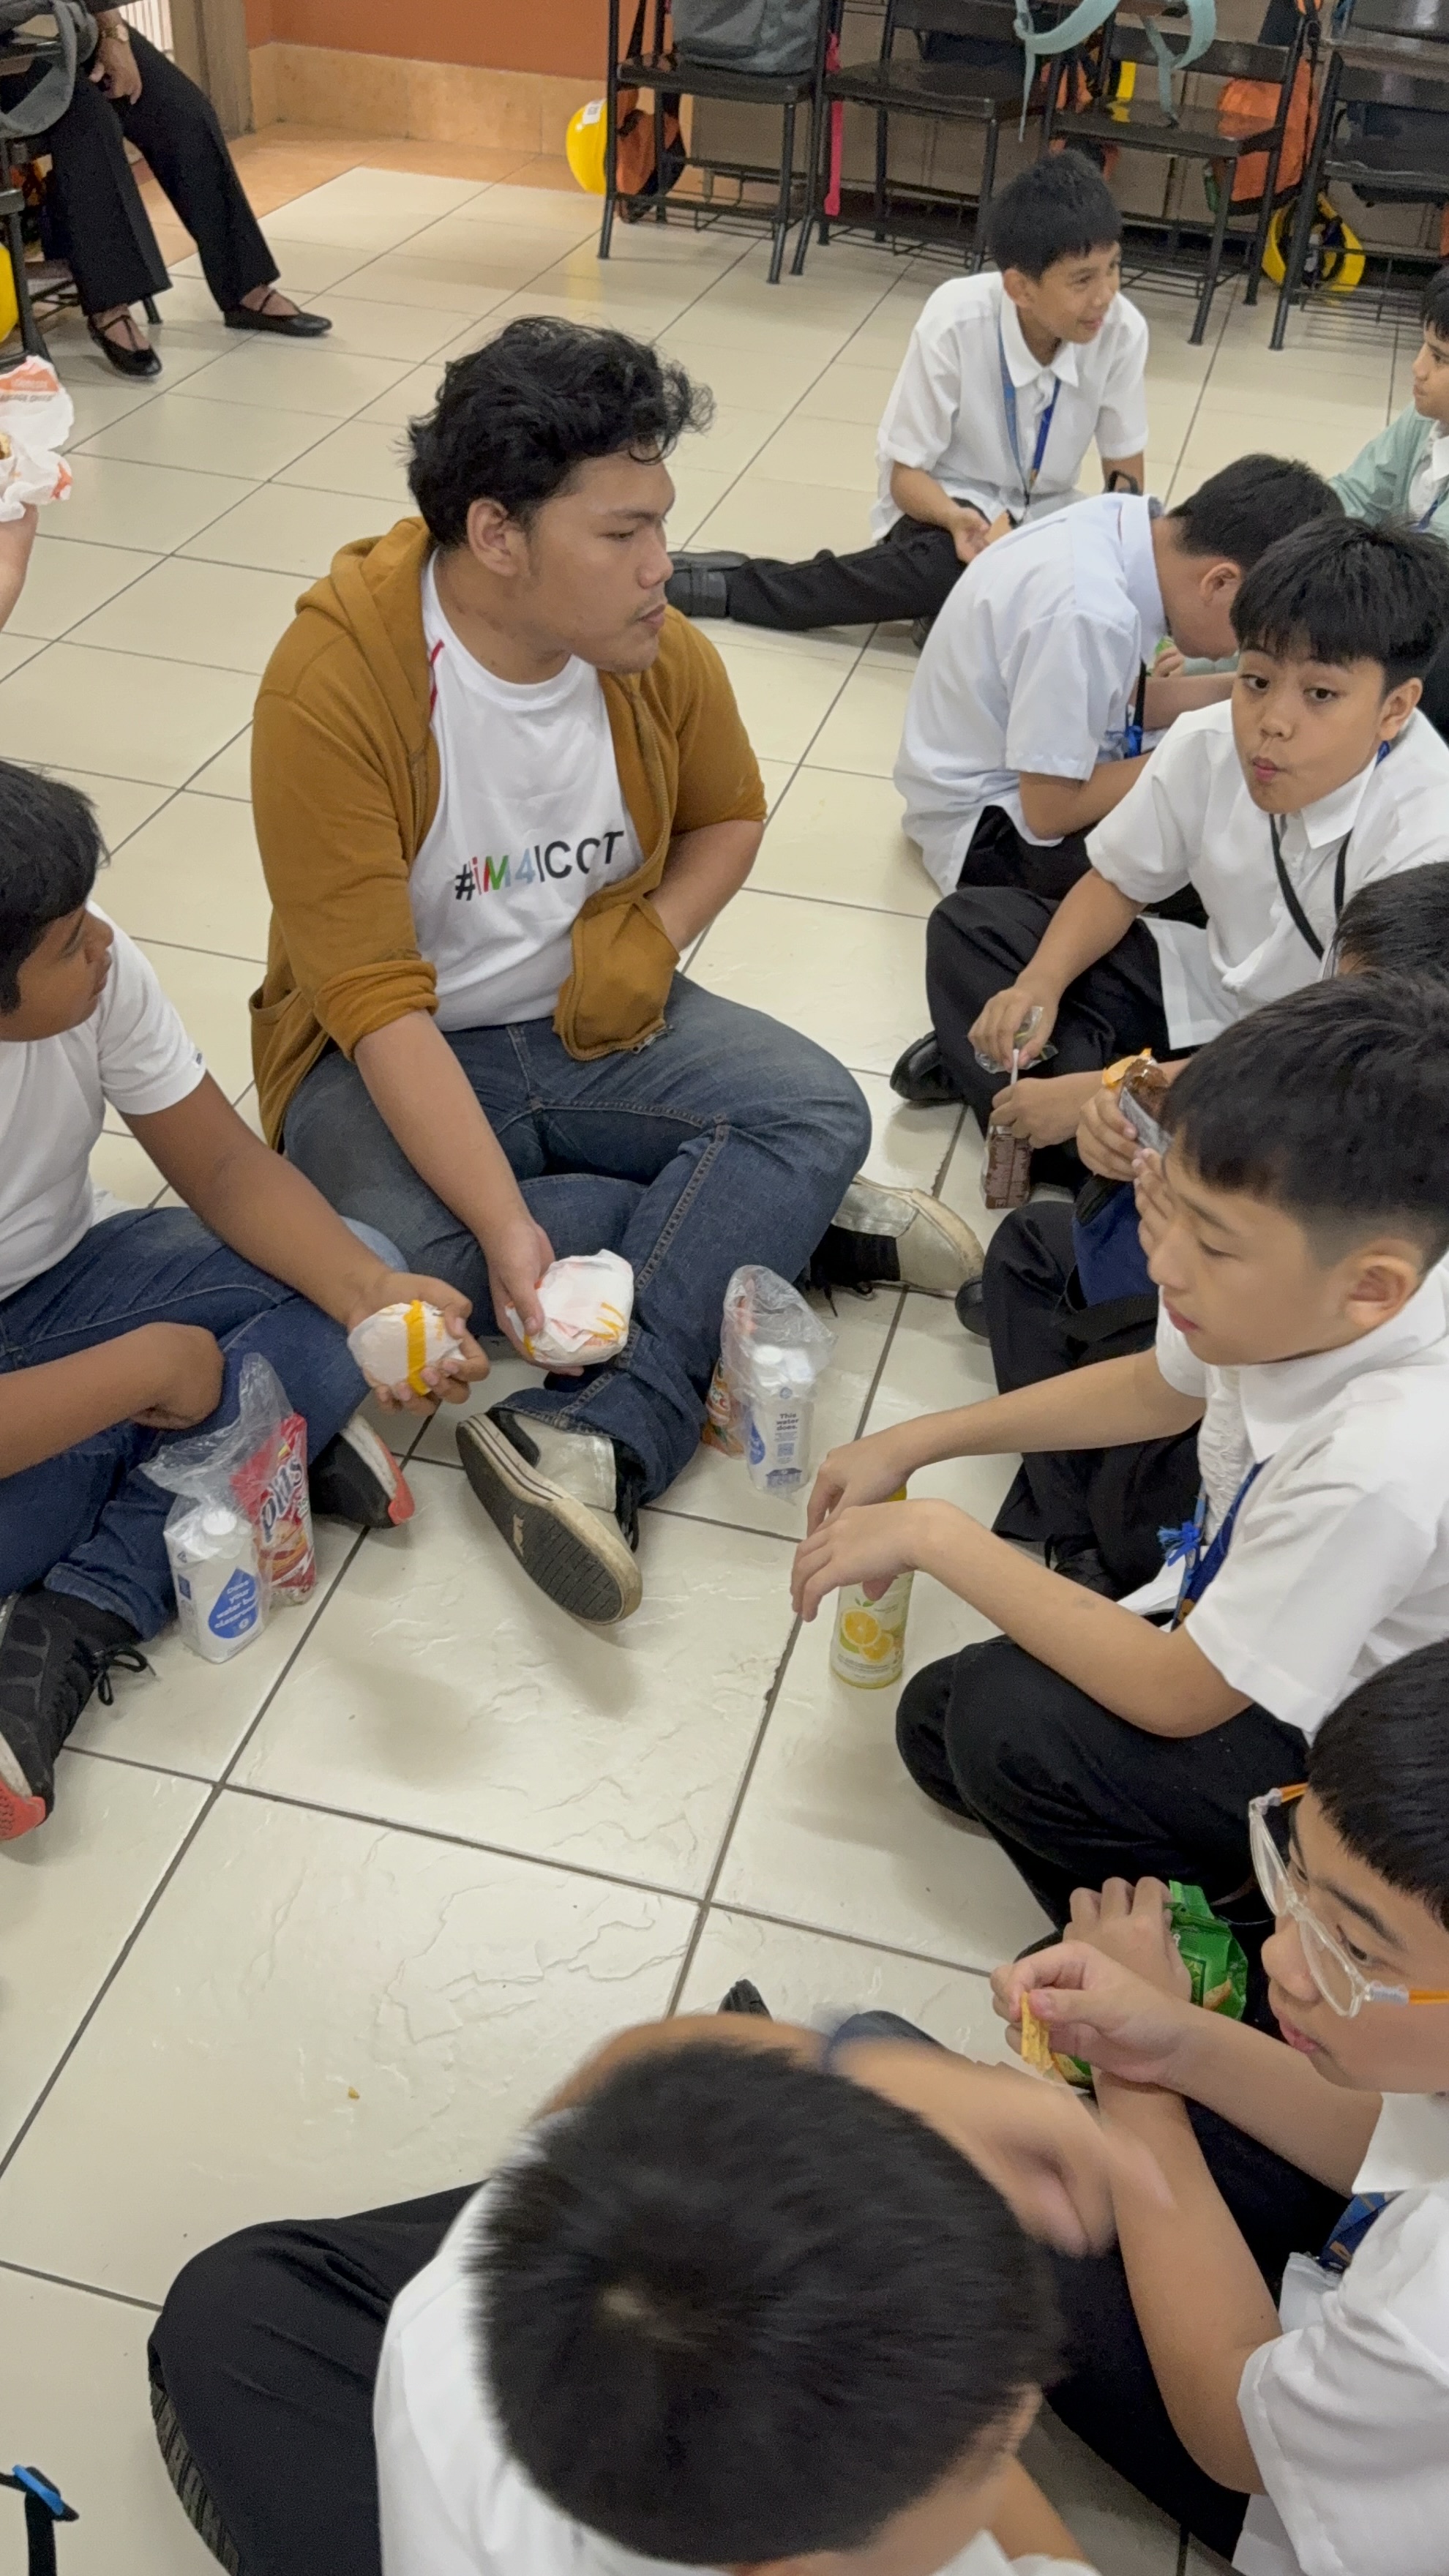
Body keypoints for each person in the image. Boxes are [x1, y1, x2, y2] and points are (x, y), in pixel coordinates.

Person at [252, 318, 980, 1628]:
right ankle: (761, 1230)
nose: (661, 567)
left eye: (663, 525)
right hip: (388, 1057)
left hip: (596, 1021)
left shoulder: (648, 653)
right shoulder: (337, 683)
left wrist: (649, 937)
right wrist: (504, 1227)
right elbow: (373, 1007)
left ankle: (592, 1433)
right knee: (406, 1263)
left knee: (814, 1107)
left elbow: (731, 815)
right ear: (495, 535)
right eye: (620, 533)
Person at [792, 978, 1449, 1922]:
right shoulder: (1311, 1289)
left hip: (1341, 1750)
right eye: (1166, 1207)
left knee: (995, 1720)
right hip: (1229, 1578)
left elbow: (1178, 1697)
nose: (1164, 1263)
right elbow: (1157, 1388)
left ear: (1372, 1289)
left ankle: (1243, 1926)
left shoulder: (1383, 1460)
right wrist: (914, 1440)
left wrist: (939, 1536)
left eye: (1213, 1245)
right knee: (943, 1726)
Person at [145, 2002, 1164, 2576]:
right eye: (991, 2445)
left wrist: (866, 2067)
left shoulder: (453, 2310)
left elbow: (636, 2066)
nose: (1027, 2406)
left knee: (234, 2308)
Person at [0, 764, 488, 1839]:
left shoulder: (90, 956)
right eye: (69, 947)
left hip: (73, 1274)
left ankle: (91, 1596)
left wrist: (371, 1302)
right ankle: (257, 1453)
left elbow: (221, 1168)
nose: (106, 951)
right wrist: (150, 1370)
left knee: (343, 1258)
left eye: (91, 922)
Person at [997, 1642, 1449, 2572]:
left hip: (1286, 2461)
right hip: (1361, 2323)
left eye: (1356, 1950)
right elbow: (1399, 2136)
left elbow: (1231, 2433)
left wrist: (1135, 2088)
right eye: (1297, 1880)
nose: (1283, 1959)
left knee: (978, 2175)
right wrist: (1169, 2036)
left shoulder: (1429, 2319)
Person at [965, 861, 1449, 1602]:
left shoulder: (1384, 1414)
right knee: (1034, 1249)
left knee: (1134, 1496)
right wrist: (1118, 1112)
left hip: (1244, 1364)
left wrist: (1185, 1235)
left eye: (1355, 1014)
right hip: (1212, 1334)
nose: (1330, 1029)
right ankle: (1079, 1540)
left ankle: (1107, 1534)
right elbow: (1181, 1102)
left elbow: (1190, 1372)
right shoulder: (1339, 1079)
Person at [920, 516, 1449, 1152]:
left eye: (1320, 694)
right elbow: (1117, 883)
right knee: (973, 928)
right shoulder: (1210, 741)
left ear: (1395, 707)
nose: (1272, 722)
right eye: (1256, 680)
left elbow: (1350, 1055)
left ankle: (1058, 1111)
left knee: (1327, 1143)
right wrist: (1038, 985)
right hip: (1212, 996)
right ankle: (1071, 1110)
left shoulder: (1426, 836)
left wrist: (1109, 1092)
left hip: (1318, 1063)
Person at [890, 457, 1345, 1107]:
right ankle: (1034, 1046)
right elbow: (1050, 810)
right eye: (1254, 647)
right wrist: (1203, 747)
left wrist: (1240, 698)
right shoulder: (1088, 611)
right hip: (996, 825)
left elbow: (1130, 704)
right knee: (1217, 841)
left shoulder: (1127, 531)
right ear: (1221, 582)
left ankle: (1023, 1041)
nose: (1242, 659)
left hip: (1034, 776)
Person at [662, 155, 1148, 638]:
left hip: (1043, 520)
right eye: (1083, 280)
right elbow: (906, 479)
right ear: (1021, 288)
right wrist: (956, 519)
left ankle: (957, 611)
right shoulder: (955, 321)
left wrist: (1113, 541)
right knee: (948, 566)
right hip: (942, 510)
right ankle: (733, 586)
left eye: (1113, 268)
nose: (1105, 295)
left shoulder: (1121, 330)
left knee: (1128, 560)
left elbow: (1125, 480)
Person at [8, 10, 329, 379]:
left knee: (183, 111)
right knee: (91, 121)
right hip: (9, 43)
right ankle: (111, 306)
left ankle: (245, 286)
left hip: (64, 18)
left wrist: (112, 31)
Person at [1332, 261, 1449, 738]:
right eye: (1424, 345)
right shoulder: (1424, 419)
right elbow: (1352, 496)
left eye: (1441, 358)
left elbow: (1424, 578)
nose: (1418, 368)